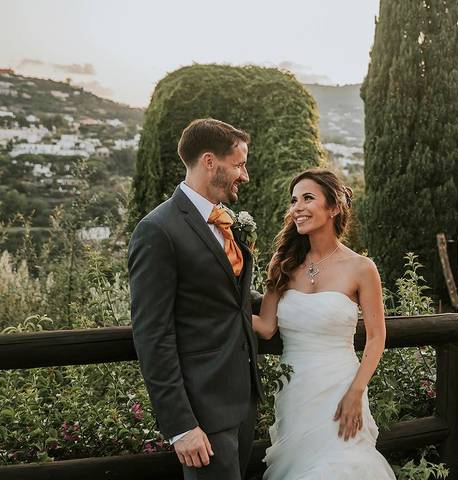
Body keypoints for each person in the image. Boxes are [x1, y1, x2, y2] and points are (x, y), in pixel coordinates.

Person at [128, 118, 261, 479]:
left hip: (241, 401)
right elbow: (151, 334)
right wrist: (181, 426)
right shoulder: (157, 230)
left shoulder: (224, 222)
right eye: (239, 164)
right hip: (201, 412)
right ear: (209, 161)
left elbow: (228, 295)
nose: (244, 176)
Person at [254, 168, 395, 479]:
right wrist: (217, 307)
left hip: (341, 389)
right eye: (293, 200)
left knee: (342, 467)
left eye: (307, 198)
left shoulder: (361, 268)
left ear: (333, 207)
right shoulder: (283, 264)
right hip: (295, 393)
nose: (297, 207)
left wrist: (356, 392)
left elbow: (376, 337)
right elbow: (265, 326)